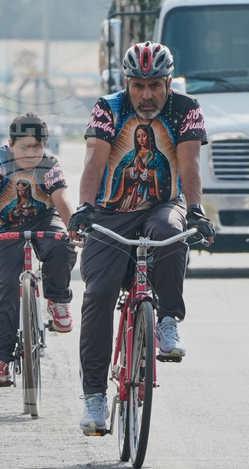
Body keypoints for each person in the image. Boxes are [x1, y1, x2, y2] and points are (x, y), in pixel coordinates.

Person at [67, 42, 215, 435]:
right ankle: (95, 398)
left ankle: (167, 319)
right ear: (126, 84)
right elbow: (95, 160)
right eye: (138, 86)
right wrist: (84, 207)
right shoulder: (108, 108)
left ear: (169, 83)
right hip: (111, 213)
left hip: (159, 207)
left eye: (155, 85)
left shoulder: (185, 109)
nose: (146, 95)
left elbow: (189, 164)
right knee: (97, 295)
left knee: (170, 232)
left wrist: (196, 211)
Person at [0, 112, 76, 387]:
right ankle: (0, 359)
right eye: (24, 147)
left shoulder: (49, 165)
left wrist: (74, 228)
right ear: (11, 145)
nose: (30, 153)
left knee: (62, 247)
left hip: (42, 218)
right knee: (7, 286)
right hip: (3, 225)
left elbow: (61, 198)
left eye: (37, 147)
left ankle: (57, 300)